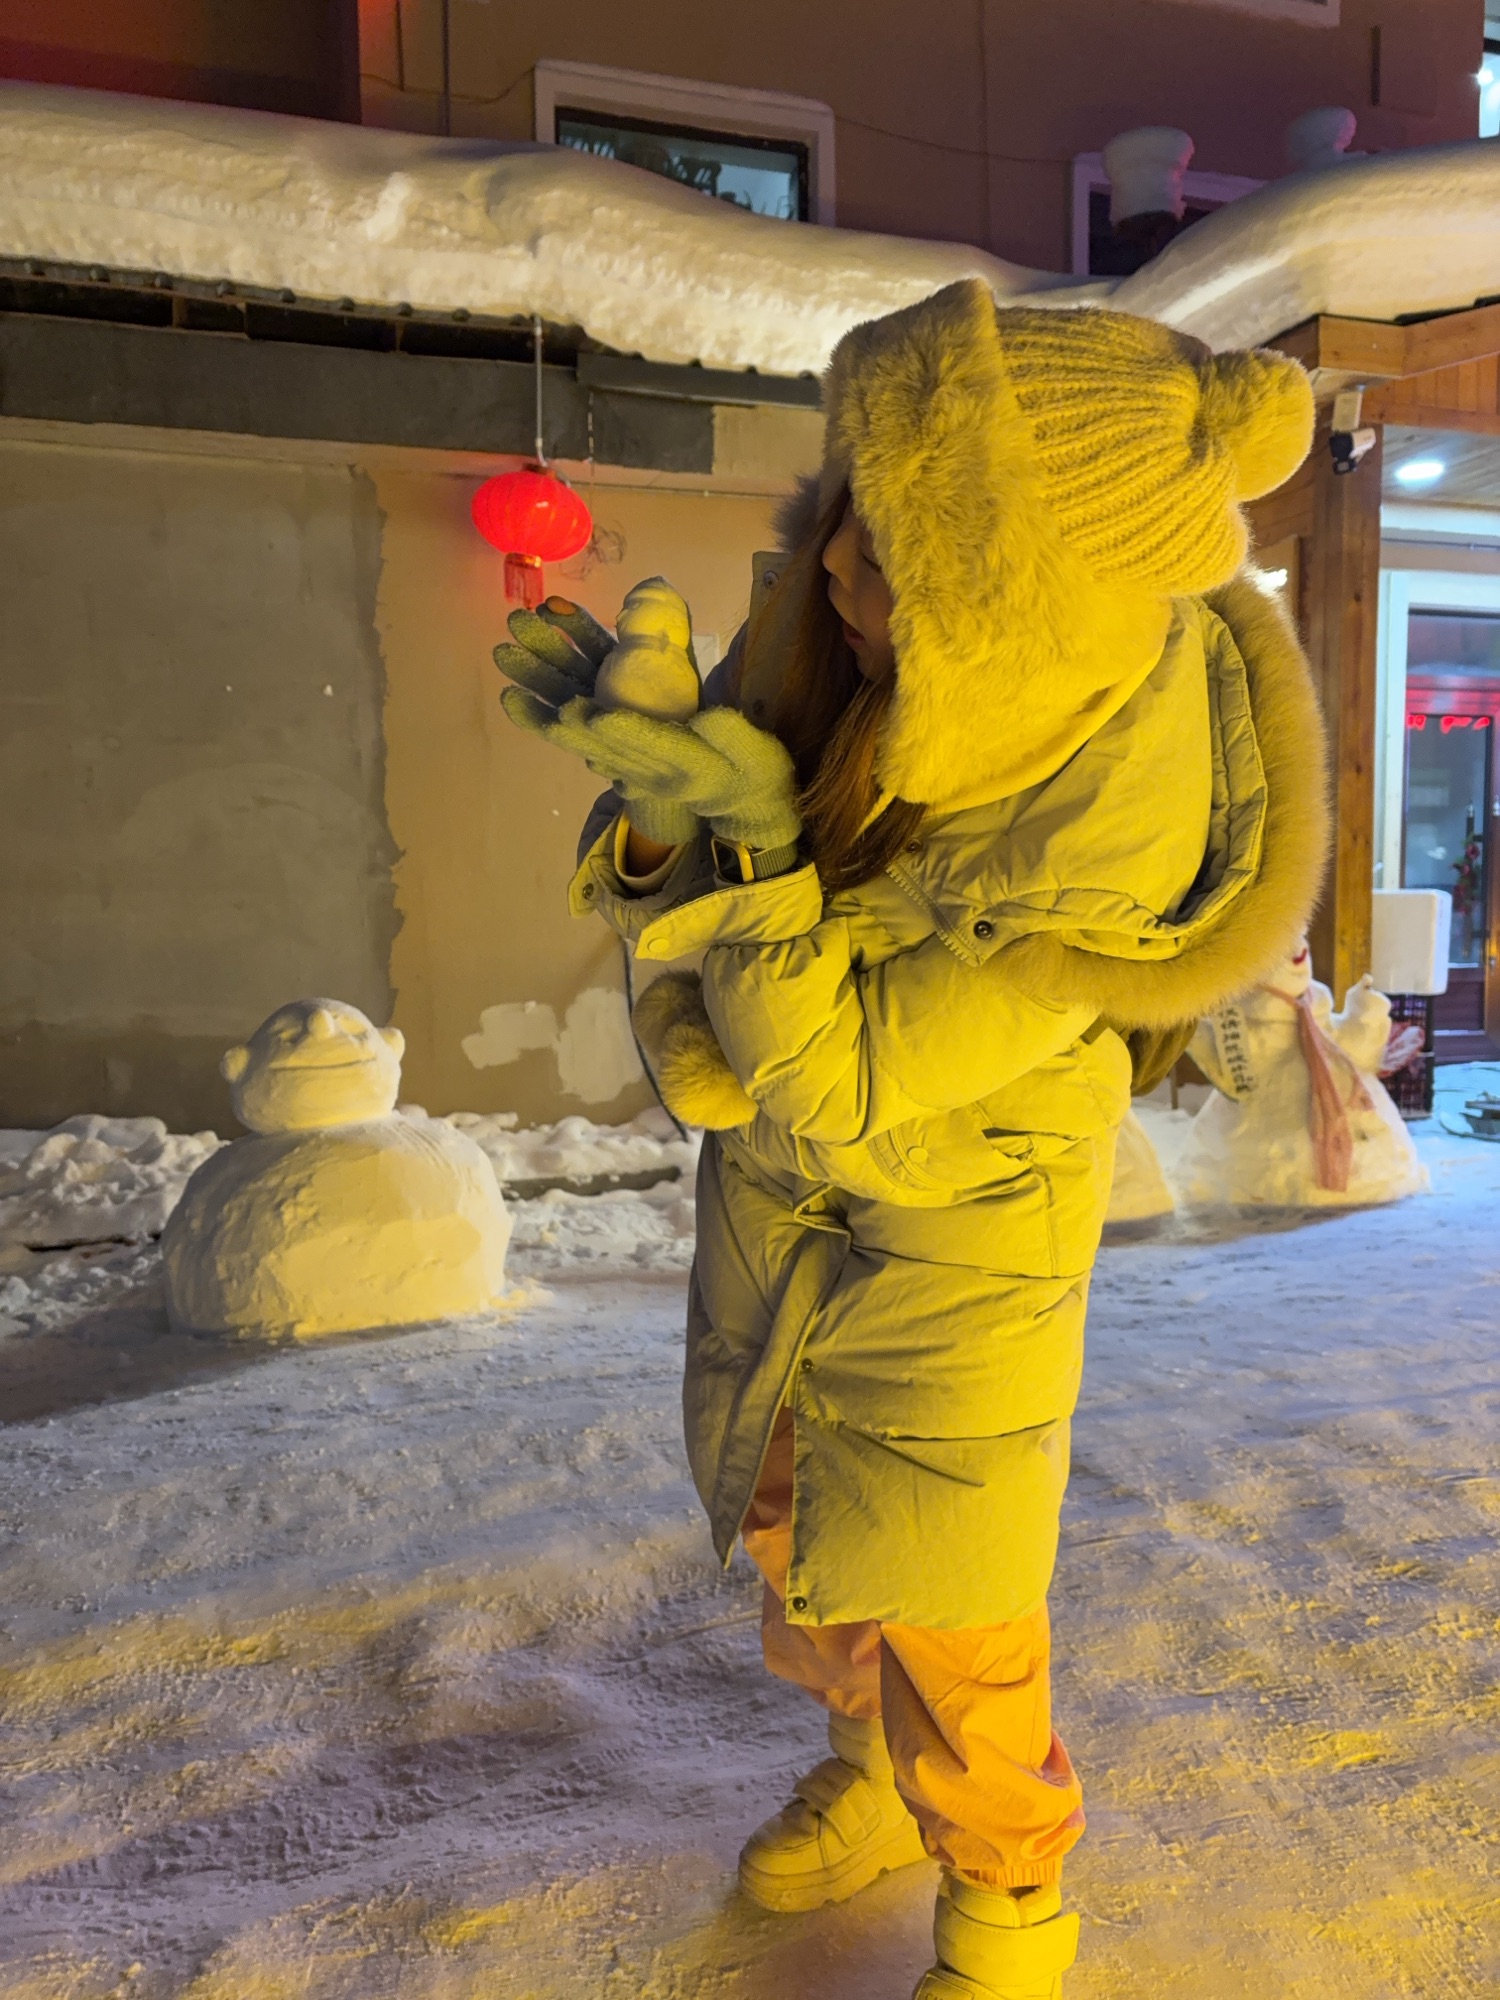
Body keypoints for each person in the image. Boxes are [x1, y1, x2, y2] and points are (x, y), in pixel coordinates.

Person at [496, 280, 1324, 2000]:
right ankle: (872, 1776)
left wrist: (756, 864)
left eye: (906, 553)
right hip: (790, 1206)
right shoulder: (837, 628)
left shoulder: (1112, 806)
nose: (844, 573)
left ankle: (1013, 1903)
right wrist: (662, 811)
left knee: (955, 1600)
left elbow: (848, 1078)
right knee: (805, 1533)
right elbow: (709, 884)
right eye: (851, 521)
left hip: (962, 1222)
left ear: (1036, 603)